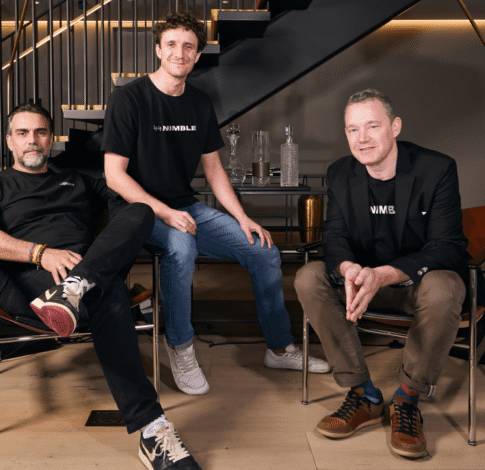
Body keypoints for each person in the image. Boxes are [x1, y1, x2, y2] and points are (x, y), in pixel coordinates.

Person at [0, 102, 202, 470]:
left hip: (84, 272)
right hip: (28, 279)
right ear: (9, 141)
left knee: (140, 211)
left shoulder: (76, 180)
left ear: (52, 139)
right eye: (23, 133)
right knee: (110, 294)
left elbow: (130, 210)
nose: (32, 141)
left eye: (40, 132)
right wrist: (40, 254)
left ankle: (78, 287)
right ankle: (153, 430)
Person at [102, 11, 330, 396]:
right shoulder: (129, 99)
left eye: (188, 46)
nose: (179, 52)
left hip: (184, 207)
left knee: (263, 250)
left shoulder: (199, 103)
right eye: (171, 44)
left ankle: (278, 348)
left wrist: (242, 217)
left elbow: (214, 170)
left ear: (196, 54)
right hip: (137, 211)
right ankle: (181, 345)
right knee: (181, 246)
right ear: (158, 50)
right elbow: (115, 176)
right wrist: (167, 213)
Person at [294, 89, 485, 458]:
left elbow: (447, 246)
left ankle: (407, 399)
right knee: (308, 276)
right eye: (353, 129)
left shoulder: (436, 168)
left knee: (445, 287)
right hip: (362, 283)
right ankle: (363, 394)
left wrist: (382, 275)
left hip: (417, 283)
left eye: (373, 126)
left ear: (395, 127)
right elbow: (335, 236)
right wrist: (349, 268)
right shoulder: (340, 172)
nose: (363, 138)